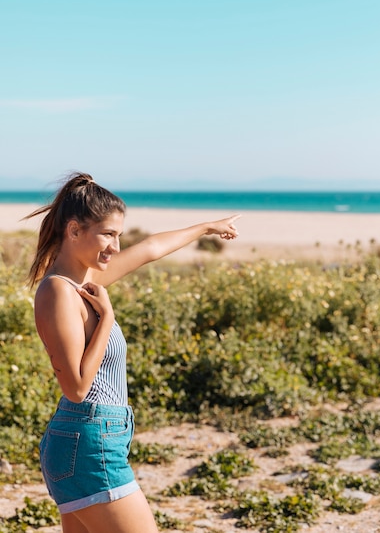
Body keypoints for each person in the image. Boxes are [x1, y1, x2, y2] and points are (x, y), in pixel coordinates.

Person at [26, 172, 240, 533]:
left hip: (89, 440)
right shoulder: (59, 292)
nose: (116, 246)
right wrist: (107, 318)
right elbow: (76, 388)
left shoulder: (82, 282)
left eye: (119, 235)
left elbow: (150, 249)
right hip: (89, 441)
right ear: (74, 230)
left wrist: (206, 227)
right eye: (107, 234)